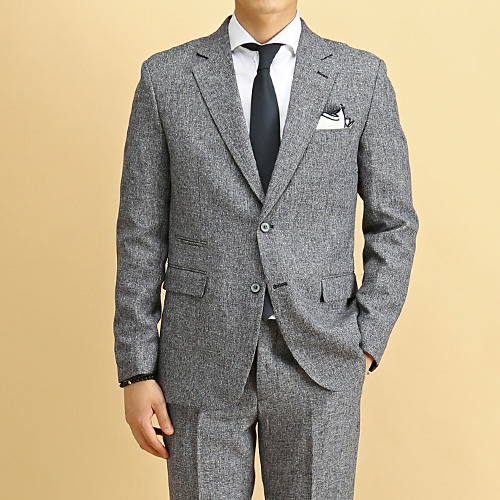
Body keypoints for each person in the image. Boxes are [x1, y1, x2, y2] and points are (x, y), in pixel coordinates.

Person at [113, 1, 419, 498]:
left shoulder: (361, 76)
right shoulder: (166, 78)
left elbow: (395, 222)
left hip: (322, 358)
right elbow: (139, 233)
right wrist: (137, 369)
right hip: (198, 357)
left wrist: (366, 338)